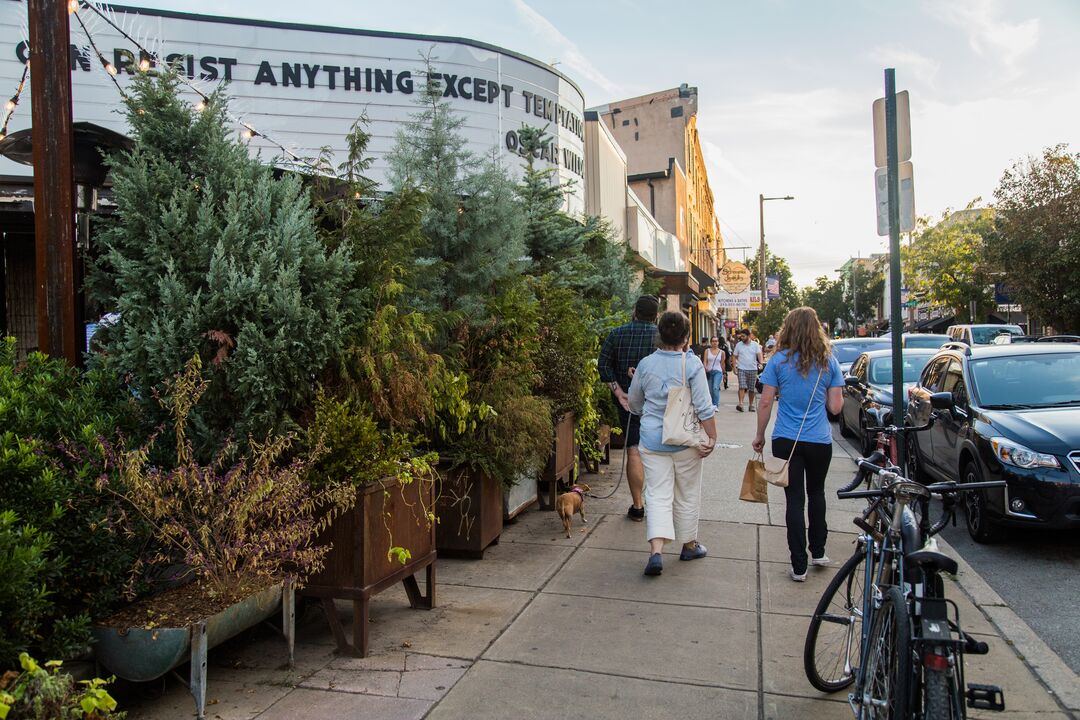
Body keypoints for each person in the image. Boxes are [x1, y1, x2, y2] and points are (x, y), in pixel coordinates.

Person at [752, 307, 844, 582]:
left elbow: (766, 401)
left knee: (794, 499)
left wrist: (760, 434)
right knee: (817, 494)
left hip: (785, 439)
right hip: (818, 440)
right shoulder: (829, 361)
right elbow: (836, 408)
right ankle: (818, 551)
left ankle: (799, 565)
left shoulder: (778, 361)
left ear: (788, 328)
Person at [628, 311, 717, 576]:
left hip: (653, 440)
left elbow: (634, 403)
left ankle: (656, 552)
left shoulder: (645, 364)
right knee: (687, 493)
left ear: (660, 334)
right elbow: (704, 405)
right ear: (686, 337)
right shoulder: (691, 365)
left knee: (656, 494)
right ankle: (689, 545)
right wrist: (712, 436)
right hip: (685, 440)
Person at [598, 295, 660, 522]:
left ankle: (638, 506)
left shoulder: (617, 334)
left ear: (634, 311)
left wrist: (618, 391)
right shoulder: (661, 337)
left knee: (633, 449)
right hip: (658, 402)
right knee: (658, 451)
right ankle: (659, 504)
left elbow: (603, 364)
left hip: (627, 403)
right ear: (656, 315)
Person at [732, 329, 764, 412]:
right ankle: (741, 404)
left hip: (753, 369)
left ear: (749, 336)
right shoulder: (739, 345)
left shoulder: (755, 345)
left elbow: (759, 355)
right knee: (742, 386)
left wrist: (760, 363)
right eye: (741, 336)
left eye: (743, 336)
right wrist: (734, 367)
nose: (741, 338)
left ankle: (751, 405)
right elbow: (734, 356)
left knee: (751, 389)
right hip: (741, 368)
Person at [702, 335, 727, 409]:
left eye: (716, 341)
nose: (714, 343)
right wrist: (705, 367)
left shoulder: (722, 352)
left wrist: (724, 373)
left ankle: (715, 405)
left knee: (715, 388)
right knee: (710, 390)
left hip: (718, 372)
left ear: (718, 342)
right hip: (709, 372)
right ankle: (711, 404)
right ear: (711, 342)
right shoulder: (707, 351)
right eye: (713, 341)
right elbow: (705, 361)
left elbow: (722, 363)